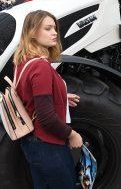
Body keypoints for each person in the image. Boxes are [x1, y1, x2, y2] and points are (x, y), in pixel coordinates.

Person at [13, 10, 83, 189]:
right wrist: (72, 135)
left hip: (31, 143)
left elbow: (27, 95)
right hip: (48, 145)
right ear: (33, 32)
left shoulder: (23, 60)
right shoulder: (41, 66)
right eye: (48, 28)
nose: (55, 33)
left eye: (55, 28)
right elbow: (46, 117)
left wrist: (60, 96)